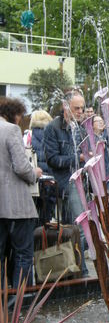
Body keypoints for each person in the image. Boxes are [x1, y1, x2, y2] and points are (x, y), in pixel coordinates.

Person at [43, 89, 89, 276]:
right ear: (65, 107)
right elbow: (52, 159)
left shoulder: (80, 127)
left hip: (80, 183)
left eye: (82, 108)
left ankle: (77, 268)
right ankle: (81, 271)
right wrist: (78, 157)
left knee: (80, 228)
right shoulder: (53, 128)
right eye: (76, 108)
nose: (80, 111)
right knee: (79, 227)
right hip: (65, 185)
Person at [0, 97, 43, 287]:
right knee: (23, 253)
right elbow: (21, 167)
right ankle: (21, 301)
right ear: (14, 114)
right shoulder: (11, 130)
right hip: (15, 204)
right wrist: (35, 173)